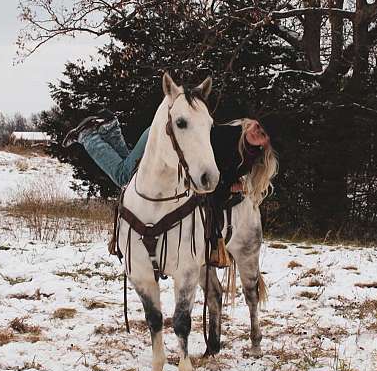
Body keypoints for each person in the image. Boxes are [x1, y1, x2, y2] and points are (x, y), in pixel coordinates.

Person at [63, 108, 278, 265]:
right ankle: (88, 136)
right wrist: (231, 187)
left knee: (129, 169)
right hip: (164, 140)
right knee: (125, 178)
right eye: (257, 126)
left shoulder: (246, 153)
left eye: (262, 134)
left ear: (266, 143)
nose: (255, 132)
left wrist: (228, 184)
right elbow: (209, 184)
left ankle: (110, 128)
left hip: (163, 136)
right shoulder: (231, 139)